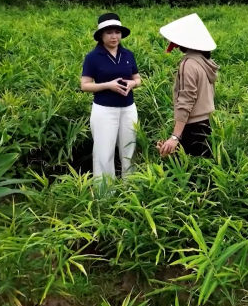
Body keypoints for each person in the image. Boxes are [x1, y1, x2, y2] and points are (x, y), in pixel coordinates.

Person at [80, 12, 142, 180]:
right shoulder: (93, 57)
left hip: (128, 108)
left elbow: (138, 78)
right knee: (104, 152)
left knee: (129, 149)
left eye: (117, 32)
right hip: (104, 110)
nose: (114, 36)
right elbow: (85, 85)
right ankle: (105, 192)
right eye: (109, 32)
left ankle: (130, 187)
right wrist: (108, 85)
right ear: (101, 35)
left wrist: (133, 83)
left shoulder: (128, 54)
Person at [157, 13, 219, 159]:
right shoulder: (204, 62)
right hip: (206, 124)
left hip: (192, 127)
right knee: (202, 168)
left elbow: (186, 101)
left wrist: (175, 137)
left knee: (185, 169)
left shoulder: (188, 64)